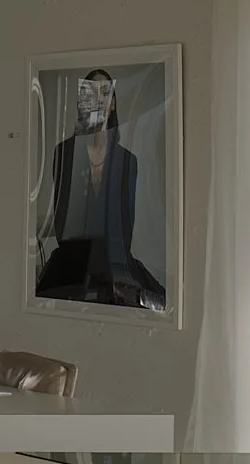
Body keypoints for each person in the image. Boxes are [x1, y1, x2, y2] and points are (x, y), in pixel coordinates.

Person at [35, 68, 165, 309]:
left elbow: (124, 230)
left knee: (159, 302)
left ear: (112, 104)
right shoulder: (65, 153)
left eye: (105, 94)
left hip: (114, 264)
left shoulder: (127, 161)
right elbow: (64, 225)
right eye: (91, 94)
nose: (98, 101)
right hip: (74, 264)